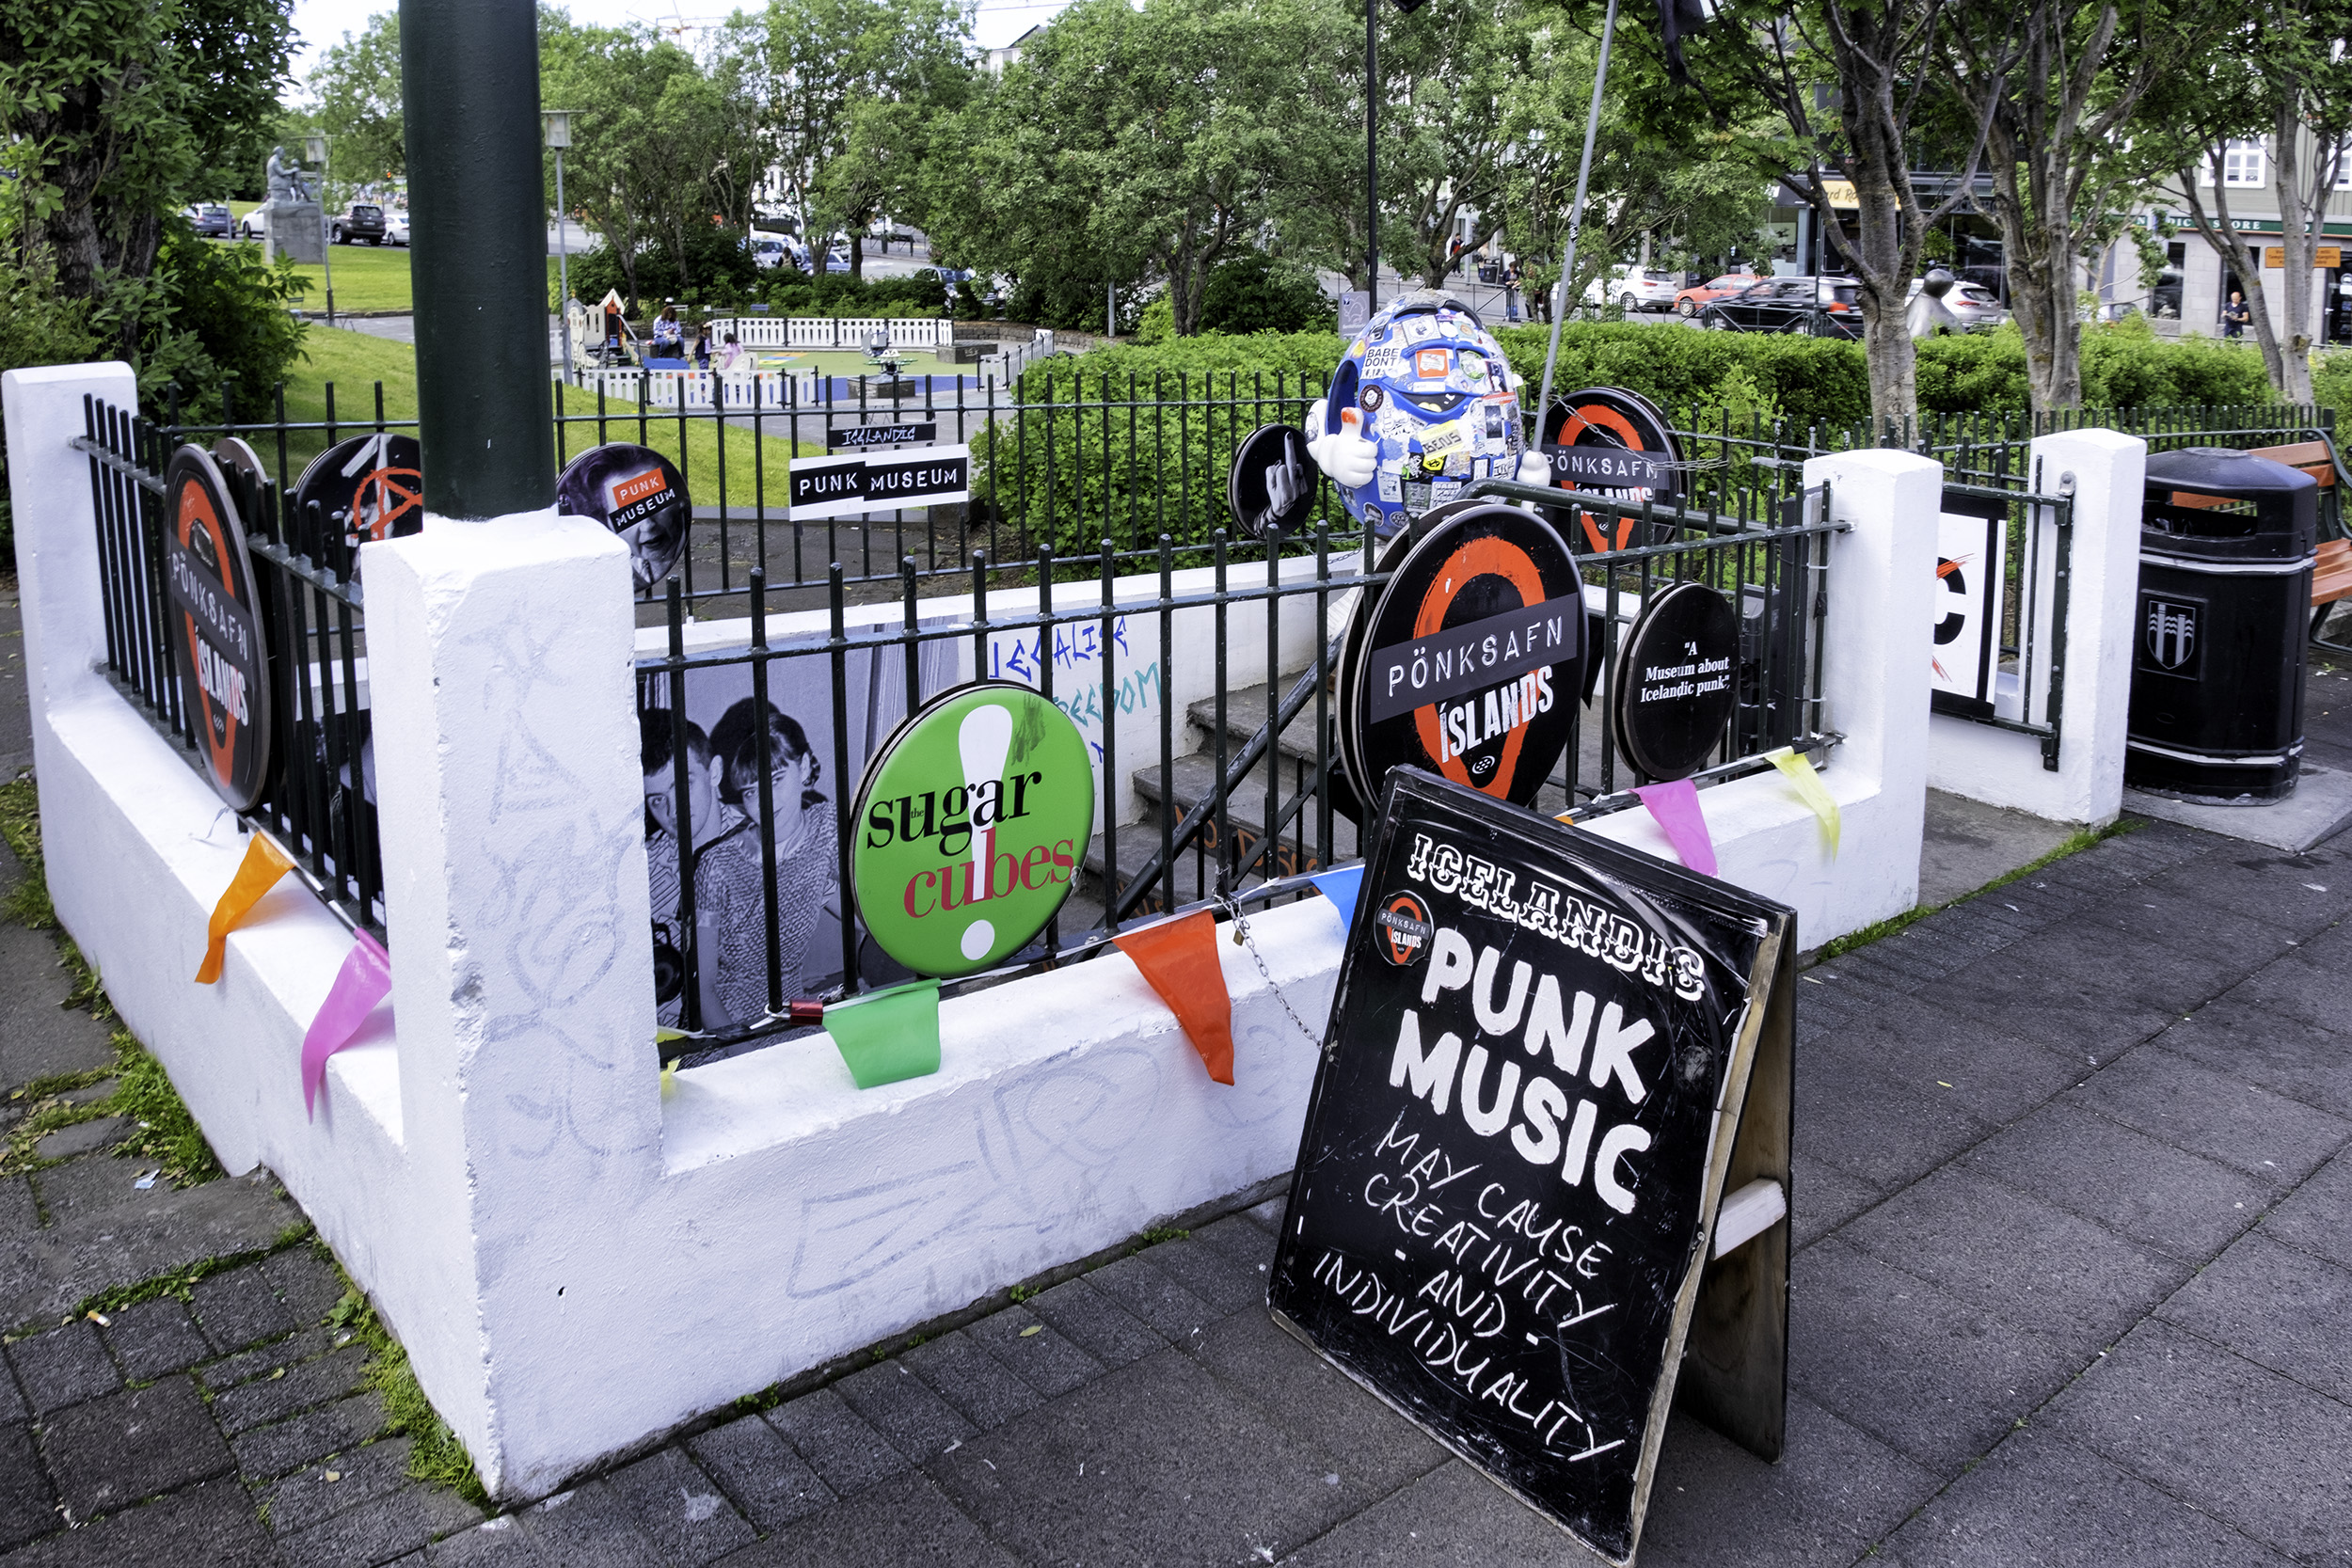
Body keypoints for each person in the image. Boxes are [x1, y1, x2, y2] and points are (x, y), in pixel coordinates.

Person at [708, 699, 839, 1022]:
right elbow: (704, 992)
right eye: (752, 791)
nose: (766, 801)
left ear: (804, 768)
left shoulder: (821, 831)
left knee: (853, 1044)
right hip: (732, 1026)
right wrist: (744, 1056)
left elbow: (859, 913)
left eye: (776, 779)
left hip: (794, 1011)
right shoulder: (717, 865)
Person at [643, 710, 765, 1032]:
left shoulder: (766, 839)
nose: (672, 810)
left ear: (715, 772)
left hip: (756, 1032)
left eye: (683, 784)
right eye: (656, 800)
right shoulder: (639, 872)